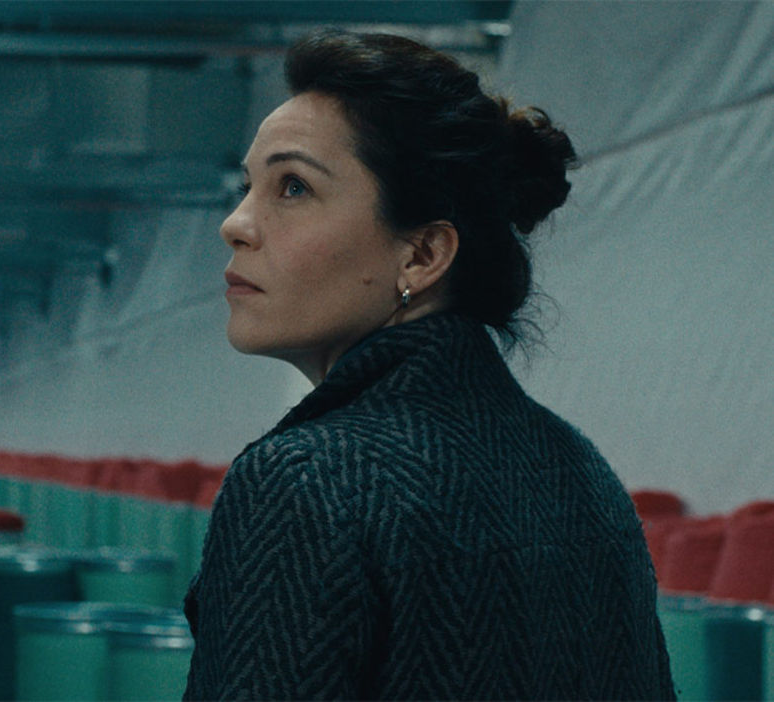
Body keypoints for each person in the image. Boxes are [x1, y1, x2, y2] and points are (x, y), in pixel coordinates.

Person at [184, 29, 675, 701]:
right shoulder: (581, 470)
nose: (235, 224)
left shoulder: (305, 483)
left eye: (293, 187)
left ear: (421, 255)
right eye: (249, 187)